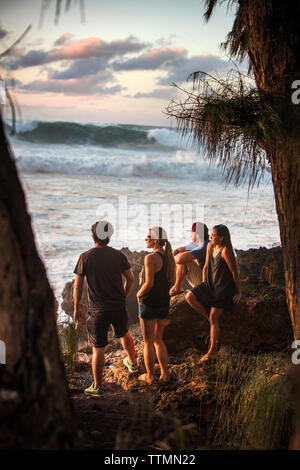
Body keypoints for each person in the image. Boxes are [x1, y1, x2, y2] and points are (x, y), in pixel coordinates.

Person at [73, 220, 138, 396]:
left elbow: (78, 285)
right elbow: (131, 279)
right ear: (108, 236)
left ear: (93, 235)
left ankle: (97, 386)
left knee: (98, 348)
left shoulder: (85, 257)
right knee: (124, 333)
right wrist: (123, 296)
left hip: (97, 310)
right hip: (117, 306)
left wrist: (76, 307)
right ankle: (132, 364)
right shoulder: (118, 256)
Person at [186, 224, 241, 365]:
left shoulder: (226, 251)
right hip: (210, 284)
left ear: (222, 238)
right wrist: (203, 285)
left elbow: (234, 273)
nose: (211, 236)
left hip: (223, 288)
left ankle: (212, 352)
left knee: (214, 317)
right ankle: (208, 320)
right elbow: (205, 266)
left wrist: (238, 292)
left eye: (214, 235)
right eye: (211, 233)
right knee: (189, 297)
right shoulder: (210, 246)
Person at [137, 226, 176, 384]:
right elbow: (171, 280)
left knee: (148, 341)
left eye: (147, 237)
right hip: (163, 302)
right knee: (158, 340)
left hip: (149, 302)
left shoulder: (150, 258)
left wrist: (138, 294)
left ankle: (150, 376)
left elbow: (149, 284)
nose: (145, 239)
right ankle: (164, 374)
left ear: (155, 240)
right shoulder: (169, 257)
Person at [169, 222, 210, 296]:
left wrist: (172, 259)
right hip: (204, 277)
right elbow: (180, 249)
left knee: (185, 261)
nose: (190, 235)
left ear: (196, 234)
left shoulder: (204, 246)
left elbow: (179, 259)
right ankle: (177, 287)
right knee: (183, 258)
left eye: (191, 232)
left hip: (207, 283)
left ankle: (177, 288)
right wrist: (176, 252)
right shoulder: (197, 244)